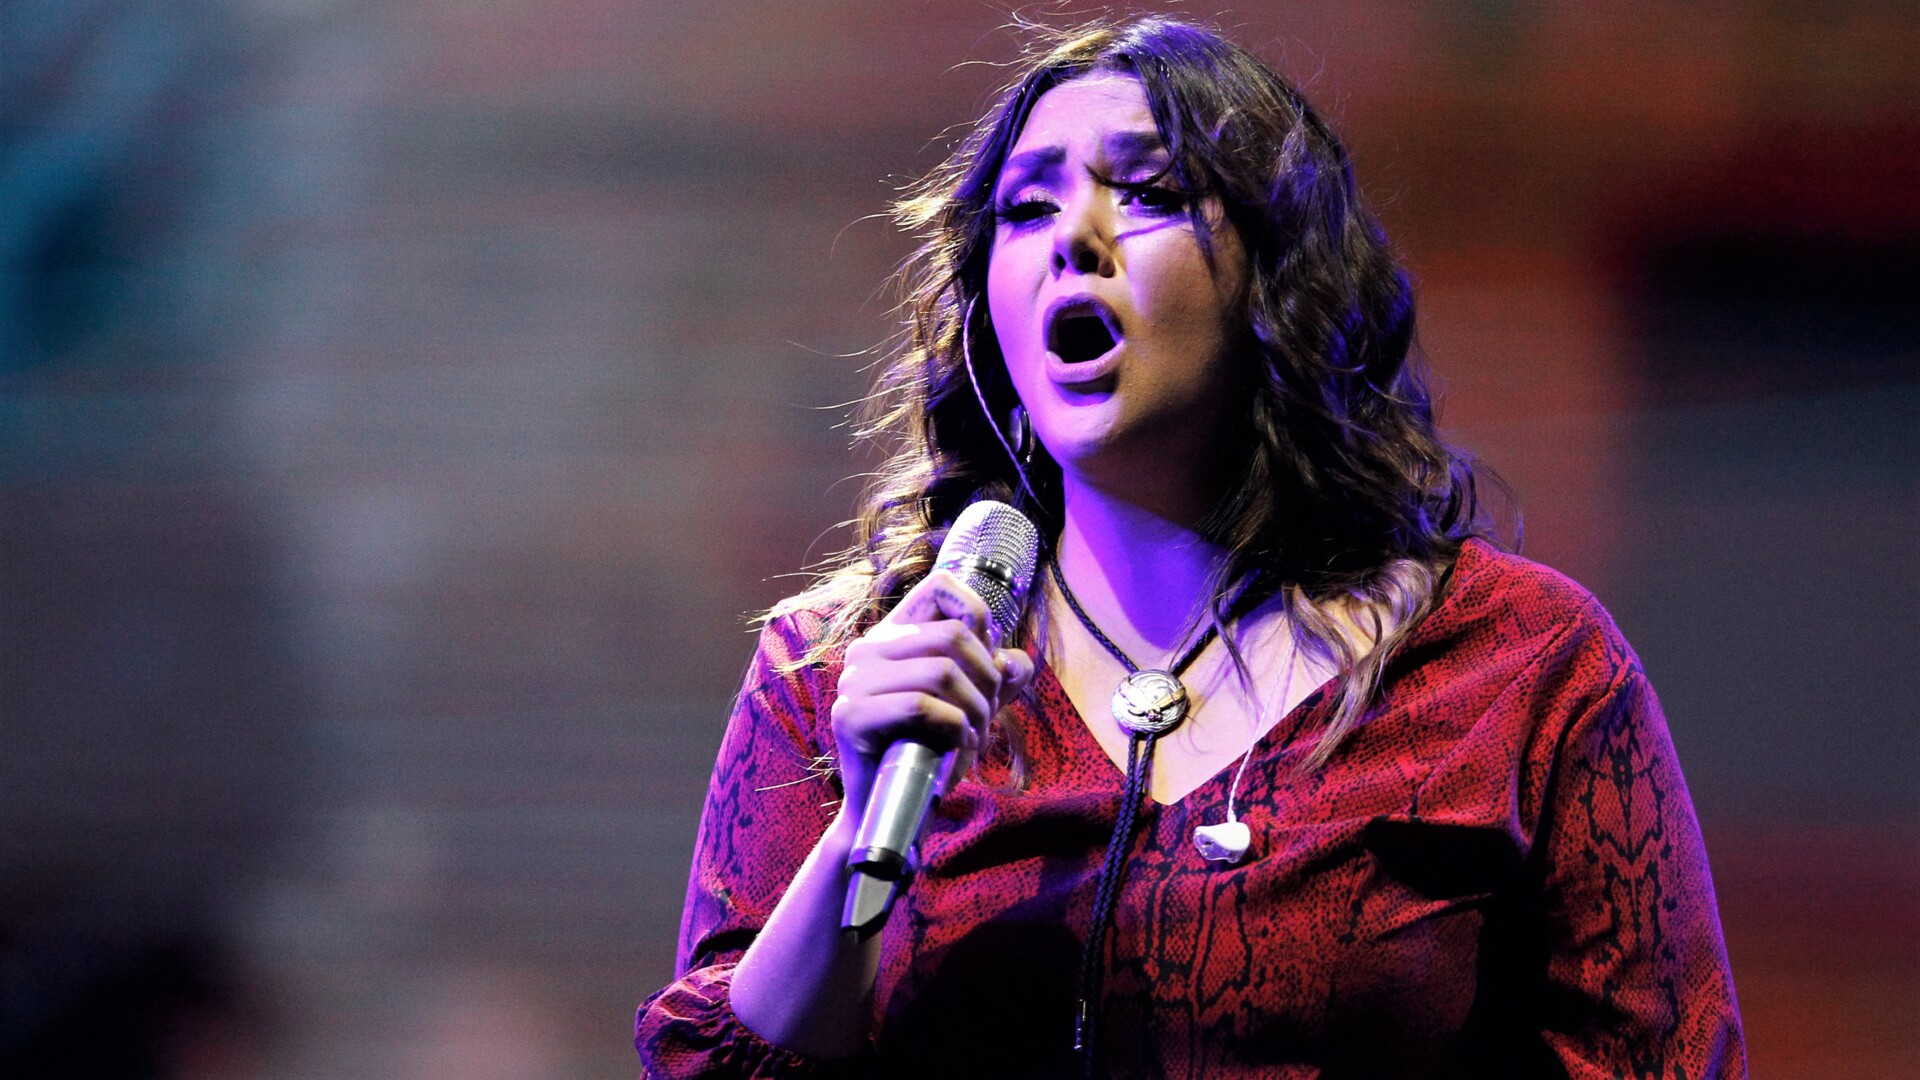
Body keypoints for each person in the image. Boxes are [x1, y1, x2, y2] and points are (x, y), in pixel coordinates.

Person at [636, 16, 1744, 1079]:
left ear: (1279, 277)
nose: (1073, 238)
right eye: (1026, 208)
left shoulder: (1520, 665)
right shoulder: (843, 669)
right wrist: (861, 832)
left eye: (1152, 194)